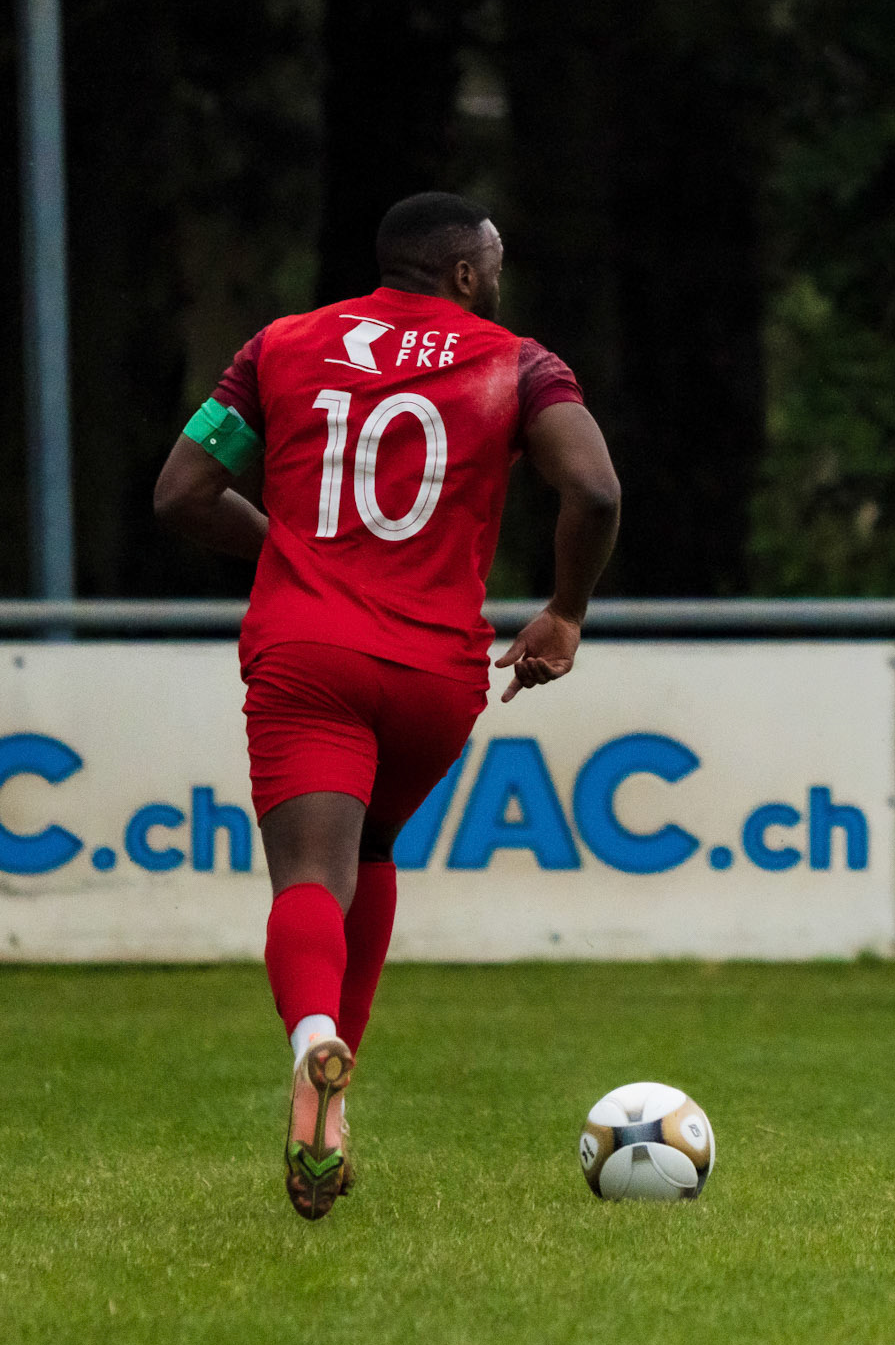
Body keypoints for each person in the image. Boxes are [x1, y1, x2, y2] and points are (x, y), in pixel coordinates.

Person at [154, 192, 621, 1221]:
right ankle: (332, 1098)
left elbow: (181, 491)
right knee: (371, 850)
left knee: (311, 876)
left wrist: (285, 544)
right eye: (492, 261)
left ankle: (314, 1039)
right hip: (433, 674)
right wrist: (565, 611)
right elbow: (593, 490)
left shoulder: (277, 346)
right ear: (463, 273)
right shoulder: (518, 361)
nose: (497, 276)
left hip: (308, 651)